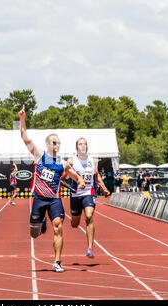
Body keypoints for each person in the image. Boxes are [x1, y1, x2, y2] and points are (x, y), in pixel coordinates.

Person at [18, 105, 85, 273]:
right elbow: (24, 136)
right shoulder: (39, 155)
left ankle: (57, 262)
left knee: (58, 226)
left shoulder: (63, 163)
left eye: (59, 143)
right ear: (47, 144)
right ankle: (40, 222)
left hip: (55, 200)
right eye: (54, 142)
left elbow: (76, 176)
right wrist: (22, 119)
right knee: (34, 233)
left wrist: (81, 181)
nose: (57, 145)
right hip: (39, 199)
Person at [66, 137, 110, 259]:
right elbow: (63, 175)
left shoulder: (93, 161)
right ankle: (74, 219)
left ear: (87, 147)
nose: (83, 146)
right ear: (76, 147)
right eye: (80, 144)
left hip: (89, 192)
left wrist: (104, 188)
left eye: (85, 144)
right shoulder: (71, 161)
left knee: (89, 216)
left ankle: (90, 248)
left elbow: (96, 176)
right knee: (75, 224)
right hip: (75, 194)